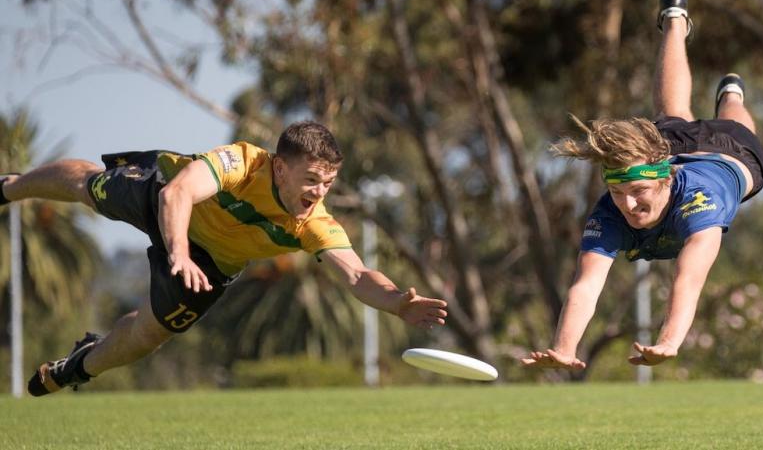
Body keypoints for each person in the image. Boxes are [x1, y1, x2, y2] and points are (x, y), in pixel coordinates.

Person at [1, 120, 448, 396]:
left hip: (212, 264)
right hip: (161, 196)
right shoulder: (242, 162)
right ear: (278, 167)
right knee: (90, 187)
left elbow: (356, 274)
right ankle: (12, 186)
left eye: (328, 183)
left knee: (148, 335)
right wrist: (177, 250)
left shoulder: (312, 223)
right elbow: (179, 192)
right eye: (311, 179)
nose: (319, 193)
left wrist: (396, 302)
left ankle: (78, 365)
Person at [521, 0, 763, 370]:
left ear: (667, 178)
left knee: (733, 120)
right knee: (670, 113)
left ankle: (731, 95)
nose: (628, 204)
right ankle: (674, 22)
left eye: (638, 191)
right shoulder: (610, 211)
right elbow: (586, 285)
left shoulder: (701, 205)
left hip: (729, 153)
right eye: (617, 192)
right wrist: (565, 348)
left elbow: (688, 279)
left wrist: (669, 342)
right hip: (671, 147)